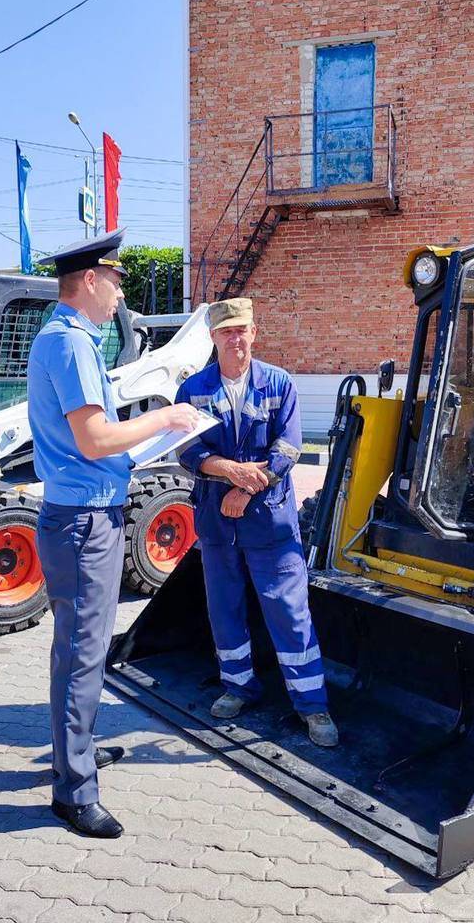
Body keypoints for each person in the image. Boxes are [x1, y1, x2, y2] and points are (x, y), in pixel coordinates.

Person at [27, 229, 199, 838]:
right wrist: (168, 418)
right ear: (92, 281)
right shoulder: (70, 345)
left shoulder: (69, 340)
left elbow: (94, 442)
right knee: (82, 653)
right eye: (118, 283)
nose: (121, 296)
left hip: (81, 514)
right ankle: (73, 792)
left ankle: (74, 752)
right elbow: (94, 439)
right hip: (83, 522)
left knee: (77, 649)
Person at [176, 297, 338, 747]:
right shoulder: (193, 390)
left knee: (289, 611)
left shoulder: (280, 384)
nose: (236, 338)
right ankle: (238, 688)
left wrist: (246, 488)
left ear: (254, 333)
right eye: (226, 331)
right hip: (216, 521)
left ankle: (313, 705)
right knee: (224, 610)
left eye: (242, 330)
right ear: (213, 338)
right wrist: (228, 472)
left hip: (269, 521)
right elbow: (186, 451)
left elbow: (288, 449)